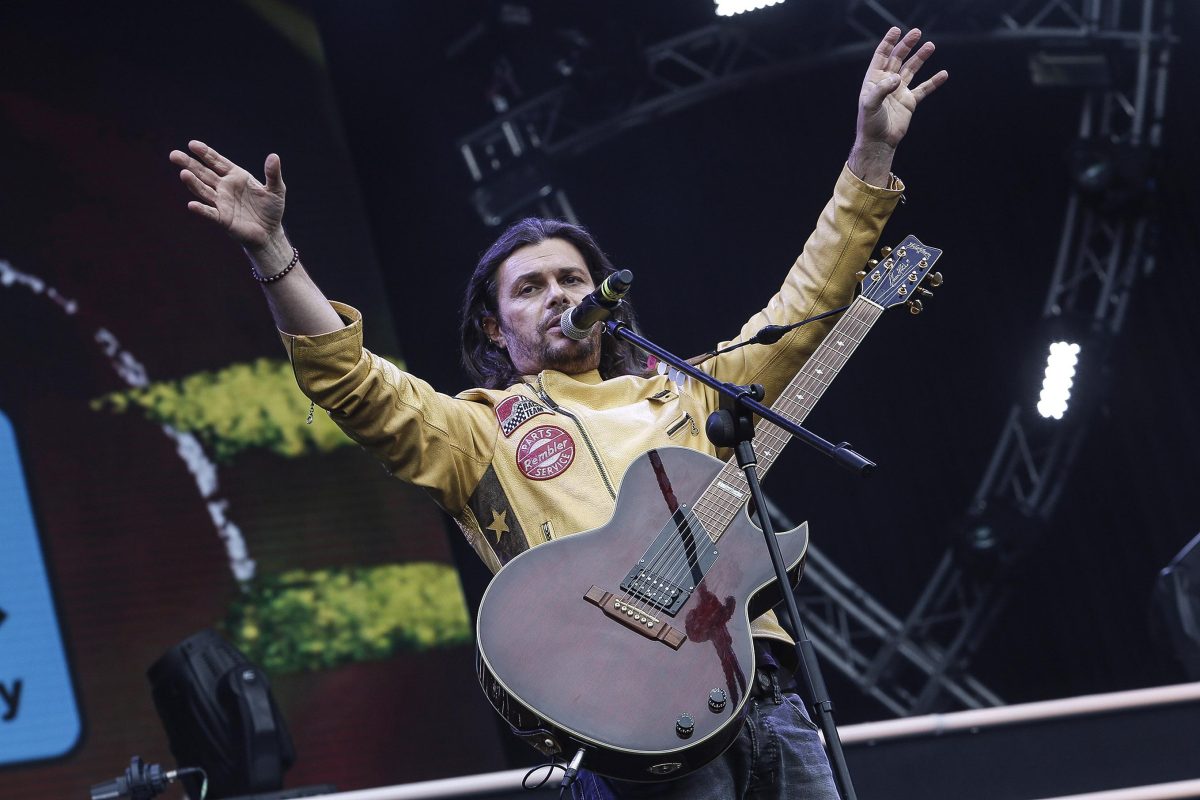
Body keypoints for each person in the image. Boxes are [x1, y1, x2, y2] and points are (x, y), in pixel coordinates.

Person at [170, 26, 947, 800]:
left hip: (766, 696)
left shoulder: (688, 391)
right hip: (625, 715)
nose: (561, 297)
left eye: (574, 280)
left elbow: (807, 301)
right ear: (492, 327)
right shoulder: (480, 430)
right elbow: (355, 385)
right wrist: (274, 255)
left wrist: (869, 152)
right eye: (530, 288)